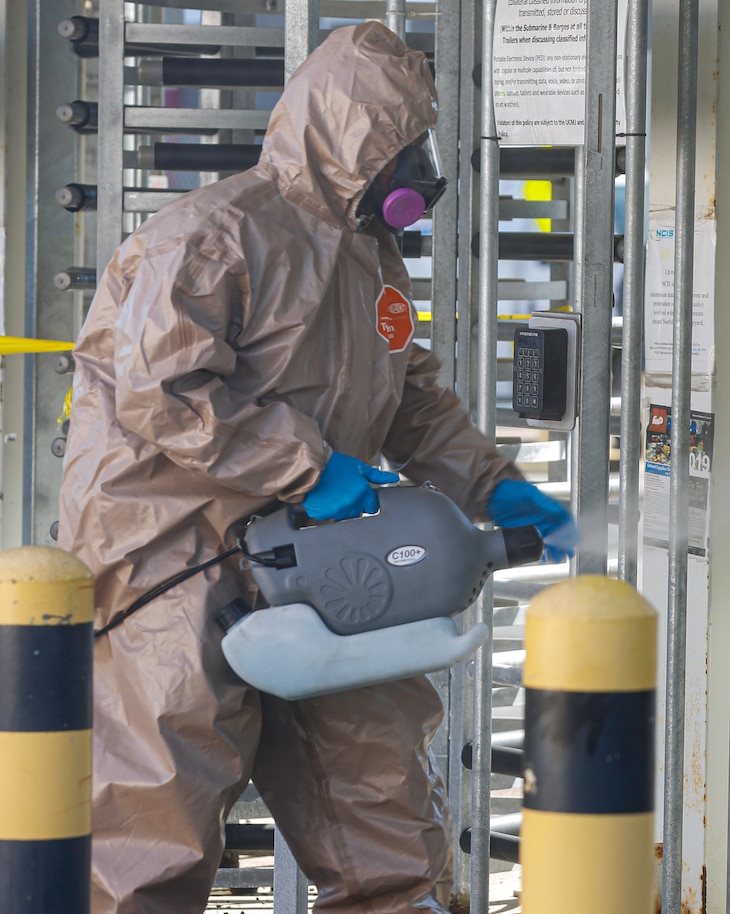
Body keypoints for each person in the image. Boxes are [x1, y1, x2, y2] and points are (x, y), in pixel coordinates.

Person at [56, 22, 576, 914]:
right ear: (347, 138)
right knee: (150, 833)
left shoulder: (375, 261)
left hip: (328, 568)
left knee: (379, 806)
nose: (418, 168)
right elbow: (160, 392)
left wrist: (492, 484)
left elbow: (412, 401)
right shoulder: (212, 236)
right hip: (175, 566)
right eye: (401, 145)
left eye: (422, 143)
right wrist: (309, 466)